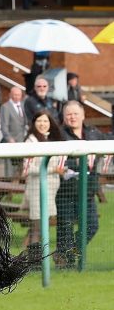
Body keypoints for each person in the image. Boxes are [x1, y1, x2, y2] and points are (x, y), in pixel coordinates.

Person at [54, 100, 107, 268]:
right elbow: (55, 161)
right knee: (65, 227)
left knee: (91, 225)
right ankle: (65, 265)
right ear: (64, 117)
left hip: (87, 191)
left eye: (76, 114)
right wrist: (75, 162)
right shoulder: (59, 135)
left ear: (83, 115)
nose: (72, 117)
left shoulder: (94, 133)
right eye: (69, 114)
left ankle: (68, 252)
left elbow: (103, 150)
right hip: (65, 191)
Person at [20, 109, 65, 254]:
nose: (42, 124)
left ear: (50, 123)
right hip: (36, 189)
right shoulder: (30, 141)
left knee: (41, 225)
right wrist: (53, 169)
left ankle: (30, 255)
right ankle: (34, 259)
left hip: (51, 190)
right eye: (39, 120)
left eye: (45, 121)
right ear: (34, 123)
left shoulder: (51, 139)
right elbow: (28, 168)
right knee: (37, 226)